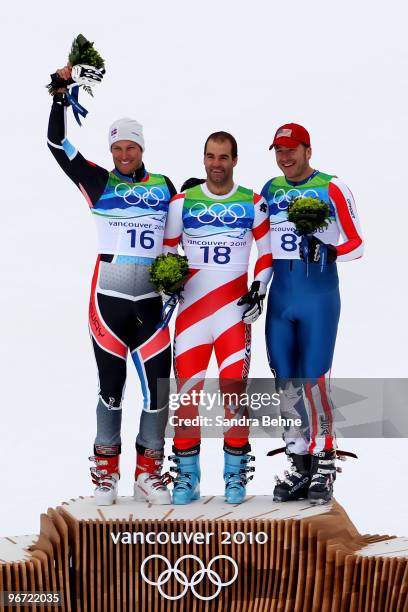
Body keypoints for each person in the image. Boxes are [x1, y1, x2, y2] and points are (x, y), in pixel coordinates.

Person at [47, 64, 176, 506]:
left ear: (142, 149)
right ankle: (105, 474)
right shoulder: (99, 181)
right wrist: (60, 94)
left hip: (153, 304)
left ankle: (148, 471)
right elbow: (56, 145)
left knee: (159, 389)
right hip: (109, 300)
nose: (124, 154)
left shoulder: (163, 186)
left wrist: (176, 275)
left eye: (131, 147)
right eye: (118, 147)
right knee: (111, 388)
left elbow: (176, 240)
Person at [163, 132, 273, 504]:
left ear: (235, 160)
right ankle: (187, 475)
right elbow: (166, 250)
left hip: (232, 315)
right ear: (204, 158)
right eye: (210, 156)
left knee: (234, 394)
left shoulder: (253, 202)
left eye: (224, 157)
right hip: (191, 315)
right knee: (187, 396)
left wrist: (259, 288)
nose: (216, 163)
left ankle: (234, 473)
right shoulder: (183, 203)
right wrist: (169, 279)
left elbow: (267, 253)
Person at [261, 123, 364, 504]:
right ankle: (298, 459)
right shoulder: (271, 189)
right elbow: (259, 239)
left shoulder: (332, 186)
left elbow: (357, 243)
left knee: (314, 379)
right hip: (281, 298)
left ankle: (324, 458)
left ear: (308, 149)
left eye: (292, 149)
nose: (285, 157)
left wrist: (331, 250)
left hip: (318, 296)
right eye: (279, 150)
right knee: (284, 380)